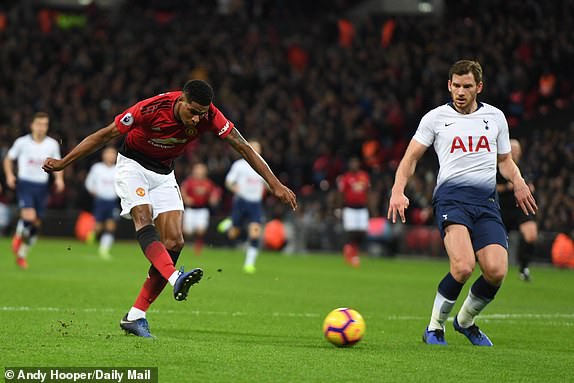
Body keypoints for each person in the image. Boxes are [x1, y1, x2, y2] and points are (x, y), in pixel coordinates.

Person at [43, 80, 297, 338]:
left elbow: (243, 146)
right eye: (193, 112)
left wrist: (275, 184)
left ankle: (135, 316)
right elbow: (106, 134)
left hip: (164, 174)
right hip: (133, 166)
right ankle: (176, 278)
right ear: (181, 101)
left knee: (175, 241)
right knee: (143, 216)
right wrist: (65, 163)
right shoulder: (151, 109)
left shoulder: (210, 115)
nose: (198, 119)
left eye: (202, 114)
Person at [388, 60, 537, 346]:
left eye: (467, 86)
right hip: (451, 200)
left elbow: (504, 161)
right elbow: (410, 158)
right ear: (449, 85)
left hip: (486, 202)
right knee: (464, 266)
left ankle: (465, 321)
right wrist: (398, 189)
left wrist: (518, 182)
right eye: (455, 85)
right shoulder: (435, 118)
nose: (460, 91)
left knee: (496, 271)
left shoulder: (495, 118)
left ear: (478, 87)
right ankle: (434, 327)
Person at [4, 112, 65, 269]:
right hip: (25, 183)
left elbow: (58, 163)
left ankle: (22, 255)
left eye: (44, 124)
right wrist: (10, 175)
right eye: (38, 124)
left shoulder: (52, 144)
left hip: (42, 187)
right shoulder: (22, 142)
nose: (41, 127)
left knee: (36, 224)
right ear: (32, 125)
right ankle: (17, 237)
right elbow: (8, 159)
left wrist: (59, 179)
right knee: (29, 217)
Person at [222, 139, 267, 274]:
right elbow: (228, 182)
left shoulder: (263, 165)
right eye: (252, 147)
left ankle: (249, 264)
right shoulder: (239, 165)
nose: (254, 150)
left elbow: (268, 183)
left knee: (255, 233)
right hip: (241, 201)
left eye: (257, 148)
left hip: (255, 203)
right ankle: (230, 224)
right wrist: (234, 187)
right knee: (233, 234)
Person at [496, 139, 538, 281]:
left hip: (520, 208)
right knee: (496, 243)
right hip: (502, 208)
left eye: (516, 149)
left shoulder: (525, 167)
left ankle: (524, 268)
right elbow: (492, 187)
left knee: (531, 234)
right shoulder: (498, 166)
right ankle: (492, 268)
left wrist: (529, 188)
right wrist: (509, 187)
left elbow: (531, 184)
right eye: (511, 149)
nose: (514, 151)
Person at [84, 146, 119, 260]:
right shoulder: (97, 168)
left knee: (111, 226)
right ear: (103, 155)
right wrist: (92, 190)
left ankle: (104, 250)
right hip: (100, 200)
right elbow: (89, 182)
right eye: (108, 153)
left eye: (113, 154)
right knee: (98, 226)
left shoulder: (118, 169)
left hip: (112, 201)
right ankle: (92, 235)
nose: (110, 156)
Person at [180, 162, 222, 256]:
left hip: (202, 209)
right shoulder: (189, 182)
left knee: (201, 230)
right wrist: (186, 198)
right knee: (188, 231)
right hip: (191, 209)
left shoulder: (208, 183)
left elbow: (215, 192)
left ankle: (198, 248)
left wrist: (214, 198)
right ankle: (183, 245)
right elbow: (182, 191)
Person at [337, 157, 371, 267]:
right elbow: (341, 194)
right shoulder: (346, 178)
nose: (354, 165)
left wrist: (371, 206)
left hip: (362, 208)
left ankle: (353, 251)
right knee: (351, 232)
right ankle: (350, 253)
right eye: (352, 163)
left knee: (362, 231)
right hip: (350, 208)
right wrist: (339, 207)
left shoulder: (364, 176)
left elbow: (368, 192)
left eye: (356, 162)